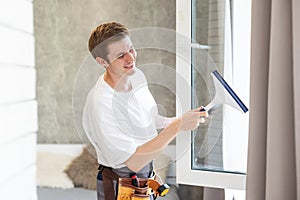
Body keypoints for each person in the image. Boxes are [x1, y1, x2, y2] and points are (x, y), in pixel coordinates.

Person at [82, 21, 208, 200]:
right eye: (120, 56)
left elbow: (147, 118)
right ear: (102, 61)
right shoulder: (102, 104)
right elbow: (133, 162)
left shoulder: (136, 76)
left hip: (144, 179)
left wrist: (181, 120)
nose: (131, 59)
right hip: (121, 186)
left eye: (131, 49)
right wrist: (178, 126)